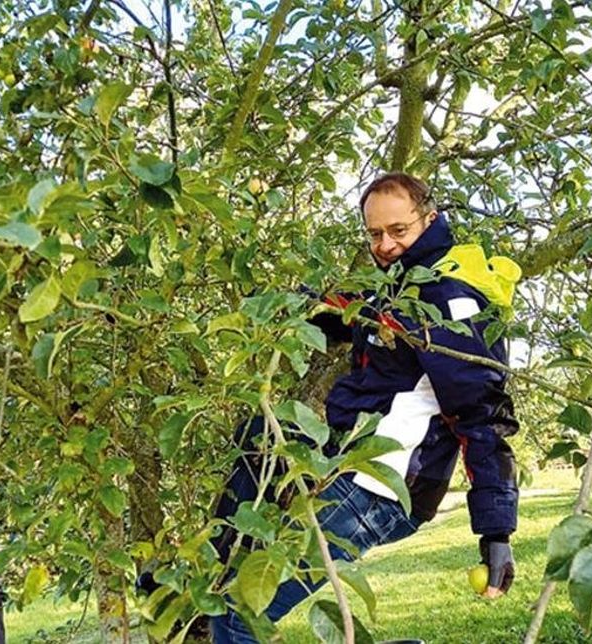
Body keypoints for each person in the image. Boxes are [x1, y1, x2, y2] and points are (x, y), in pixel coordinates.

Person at [208, 172, 522, 642]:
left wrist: (496, 532)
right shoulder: (400, 288)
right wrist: (296, 306)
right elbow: (354, 314)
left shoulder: (449, 300)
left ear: (430, 219)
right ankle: (214, 559)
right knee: (262, 436)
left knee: (238, 612)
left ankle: (219, 574)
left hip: (382, 488)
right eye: (375, 234)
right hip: (349, 464)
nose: (386, 245)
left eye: (399, 230)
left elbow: (482, 413)